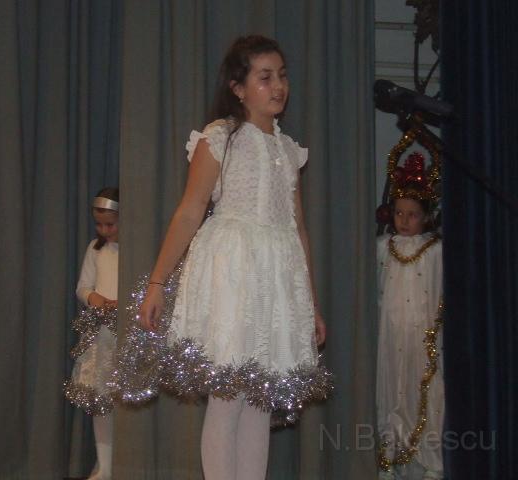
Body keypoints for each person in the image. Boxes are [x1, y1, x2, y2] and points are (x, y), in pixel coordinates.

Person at [135, 35, 332, 480]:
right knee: (227, 398)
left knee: (257, 399)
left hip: (275, 278)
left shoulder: (287, 149)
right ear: (238, 87)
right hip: (233, 272)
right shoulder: (220, 138)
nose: (278, 86)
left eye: (282, 76)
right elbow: (189, 211)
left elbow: (298, 229)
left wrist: (311, 305)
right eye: (265, 77)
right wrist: (157, 283)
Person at [376, 152, 444, 480]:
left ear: (426, 217)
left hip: (423, 335)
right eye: (399, 213)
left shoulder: (435, 251)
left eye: (412, 215)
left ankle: (431, 462)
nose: (404, 220)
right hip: (391, 334)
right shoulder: (383, 247)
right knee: (392, 389)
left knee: (426, 391)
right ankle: (389, 458)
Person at [64, 187, 119, 480]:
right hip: (103, 334)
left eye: (110, 224)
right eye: (99, 224)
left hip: (129, 334)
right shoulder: (95, 249)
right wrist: (94, 298)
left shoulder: (137, 249)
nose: (104, 230)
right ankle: (105, 466)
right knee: (102, 401)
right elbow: (83, 287)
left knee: (125, 401)